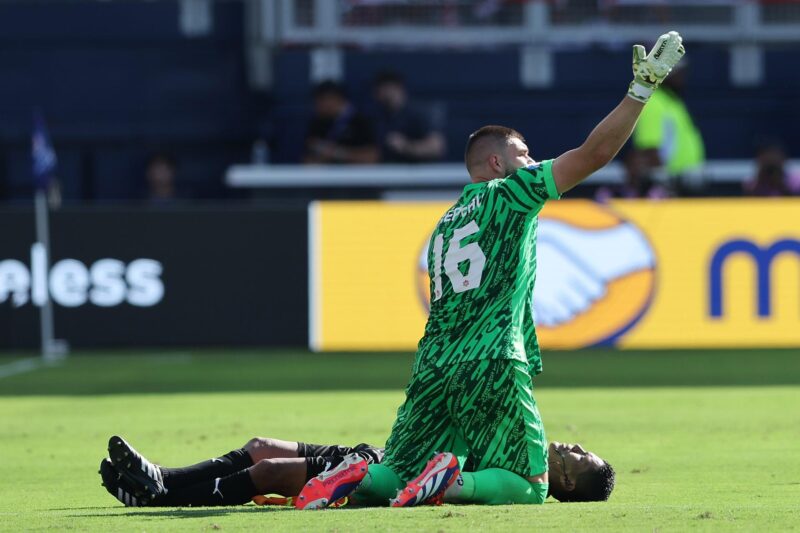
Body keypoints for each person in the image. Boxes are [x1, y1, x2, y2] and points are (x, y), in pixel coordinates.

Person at [294, 31, 685, 510]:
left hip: (434, 362)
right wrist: (640, 91)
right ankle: (453, 484)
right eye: (524, 155)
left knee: (399, 470)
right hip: (492, 357)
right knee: (531, 483)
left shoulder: (447, 220)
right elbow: (592, 157)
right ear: (497, 163)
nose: (532, 161)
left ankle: (359, 476)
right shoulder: (511, 193)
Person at [98, 435, 613, 507]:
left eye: (580, 455)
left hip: (373, 474)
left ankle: (161, 498)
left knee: (273, 470)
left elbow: (447, 484)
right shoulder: (518, 439)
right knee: (259, 446)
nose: (571, 445)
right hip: (384, 451)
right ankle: (163, 476)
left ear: (568, 481)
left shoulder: (525, 486)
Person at [631, 61, 705, 195]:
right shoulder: (653, 102)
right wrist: (664, 184)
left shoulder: (672, 101)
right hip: (670, 185)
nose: (682, 77)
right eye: (676, 72)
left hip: (685, 182)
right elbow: (650, 147)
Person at [373, 71, 446, 163]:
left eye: (385, 89)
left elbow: (437, 148)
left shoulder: (418, 113)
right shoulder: (380, 116)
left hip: (420, 172)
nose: (381, 94)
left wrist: (406, 146)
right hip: (389, 171)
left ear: (397, 88)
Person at [303, 80, 379, 164]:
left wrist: (337, 153)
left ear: (332, 99)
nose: (316, 107)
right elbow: (308, 160)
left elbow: (372, 157)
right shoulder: (318, 122)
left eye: (319, 102)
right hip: (327, 175)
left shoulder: (361, 121)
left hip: (355, 175)